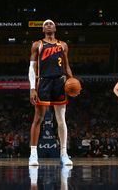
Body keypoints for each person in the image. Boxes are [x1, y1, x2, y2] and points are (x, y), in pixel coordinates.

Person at [28, 20, 74, 167]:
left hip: (60, 83)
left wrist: (72, 81)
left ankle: (64, 154)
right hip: (44, 82)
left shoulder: (63, 45)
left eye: (50, 23)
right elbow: (31, 68)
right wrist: (32, 88)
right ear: (43, 29)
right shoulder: (37, 44)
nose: (48, 25)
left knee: (61, 120)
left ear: (55, 28)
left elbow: (66, 66)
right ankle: (33, 154)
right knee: (38, 118)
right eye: (45, 24)